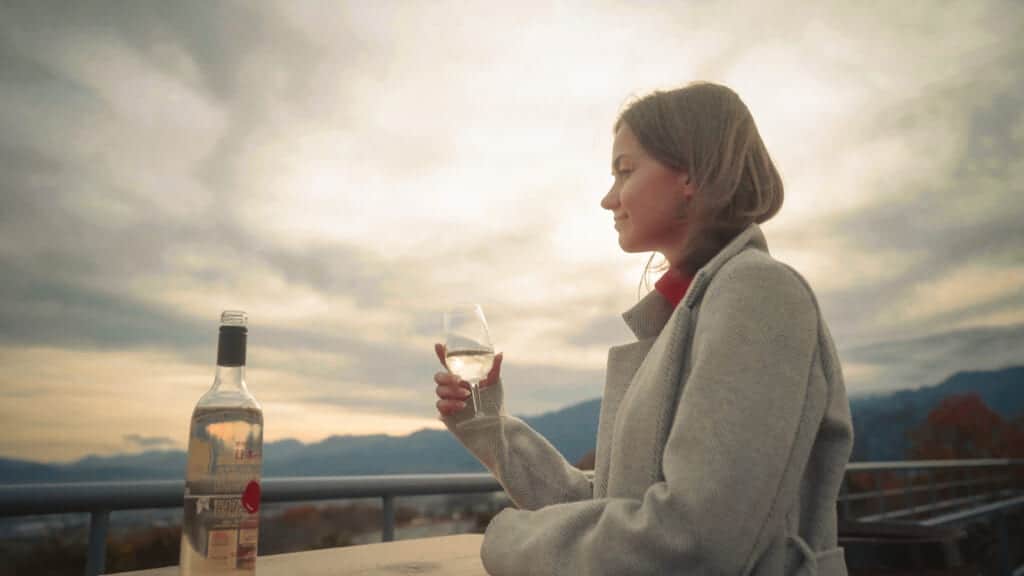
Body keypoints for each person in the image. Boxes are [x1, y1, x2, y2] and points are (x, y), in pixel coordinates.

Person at [432, 81, 855, 575]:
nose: (608, 199)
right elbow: (614, 510)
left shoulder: (759, 292)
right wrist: (487, 424)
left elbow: (692, 540)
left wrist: (505, 542)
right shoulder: (690, 314)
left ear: (691, 174)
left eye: (625, 171)